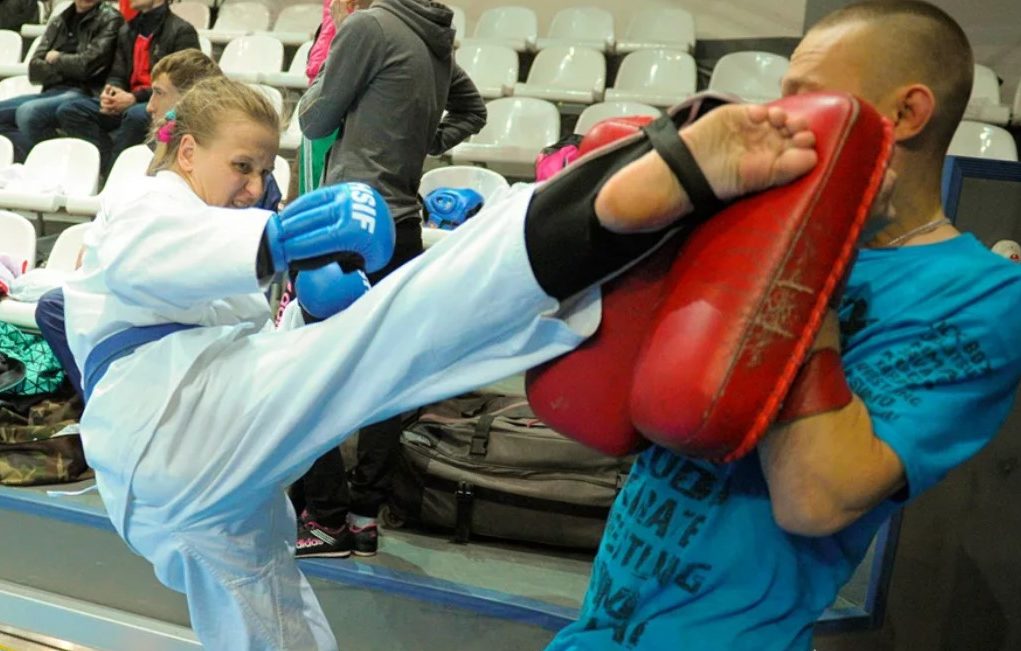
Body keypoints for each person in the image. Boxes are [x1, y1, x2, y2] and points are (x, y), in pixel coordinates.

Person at [63, 71, 818, 648]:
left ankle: (571, 232)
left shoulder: (200, 230)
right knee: (395, 337)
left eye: (265, 172)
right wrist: (274, 243)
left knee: (272, 619)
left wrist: (302, 309)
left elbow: (217, 325)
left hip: (198, 482)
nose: (257, 188)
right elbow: (146, 260)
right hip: (171, 429)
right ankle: (594, 213)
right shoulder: (144, 202)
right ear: (186, 150)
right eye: (242, 167)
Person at [544, 3, 1021, 650]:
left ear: (905, 114)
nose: (781, 116)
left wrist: (812, 259)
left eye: (809, 98)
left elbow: (814, 499)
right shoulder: (757, 221)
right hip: (597, 629)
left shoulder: (981, 297)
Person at [292, 0, 487, 558]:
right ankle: (361, 516)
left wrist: (324, 73)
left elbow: (313, 121)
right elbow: (473, 111)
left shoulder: (367, 26)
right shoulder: (435, 36)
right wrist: (421, 141)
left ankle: (325, 518)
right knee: (380, 376)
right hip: (402, 223)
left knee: (315, 369)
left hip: (349, 220)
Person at [56, 0, 198, 174]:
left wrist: (134, 99)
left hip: (158, 103)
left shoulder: (182, 31)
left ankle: (113, 175)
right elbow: (117, 73)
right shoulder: (127, 30)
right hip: (127, 99)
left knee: (135, 115)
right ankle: (107, 169)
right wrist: (111, 91)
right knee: (71, 110)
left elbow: (182, 84)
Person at [0, 0, 121, 160]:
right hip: (53, 90)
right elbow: (34, 69)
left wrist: (58, 58)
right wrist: (68, 67)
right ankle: (34, 159)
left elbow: (87, 66)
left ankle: (54, 162)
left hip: (86, 91)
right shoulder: (60, 19)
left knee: (29, 112)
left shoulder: (110, 18)